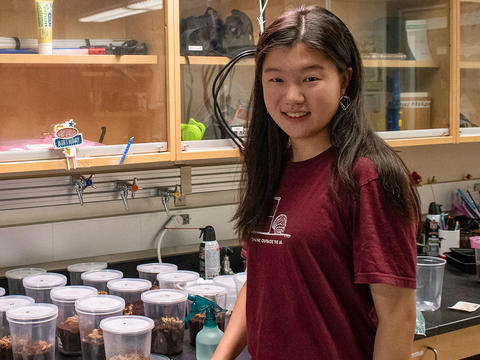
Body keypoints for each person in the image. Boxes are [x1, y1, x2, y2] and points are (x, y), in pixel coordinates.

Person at [213, 5, 419, 360]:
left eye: (310, 78)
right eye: (276, 79)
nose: (292, 97)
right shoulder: (270, 166)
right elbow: (260, 282)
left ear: (345, 79)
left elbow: (397, 317)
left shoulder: (366, 176)